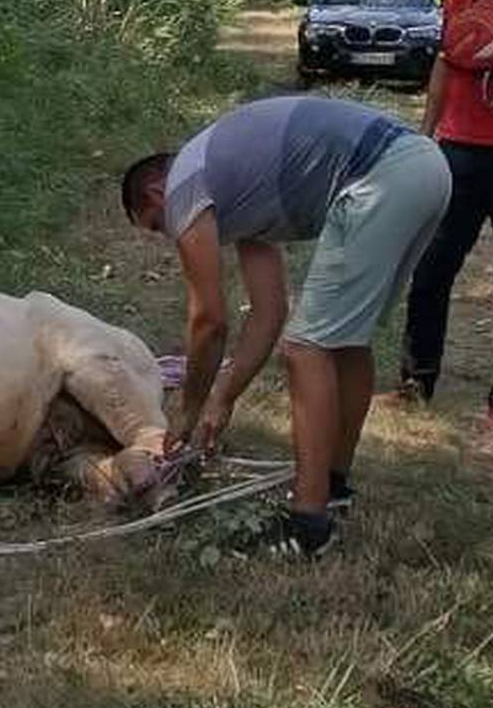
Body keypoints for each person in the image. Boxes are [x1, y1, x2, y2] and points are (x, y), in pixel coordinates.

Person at [121, 95, 451, 558]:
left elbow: (208, 319)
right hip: (424, 169)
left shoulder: (182, 186)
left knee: (306, 348)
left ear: (156, 192)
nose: (170, 234)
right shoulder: (241, 197)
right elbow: (267, 311)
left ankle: (308, 523)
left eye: (158, 226)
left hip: (381, 175)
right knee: (344, 342)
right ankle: (333, 485)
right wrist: (223, 396)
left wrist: (188, 409)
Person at [395, 0, 493, 420]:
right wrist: (424, 134)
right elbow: (444, 57)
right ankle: (416, 383)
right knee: (433, 267)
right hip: (458, 145)